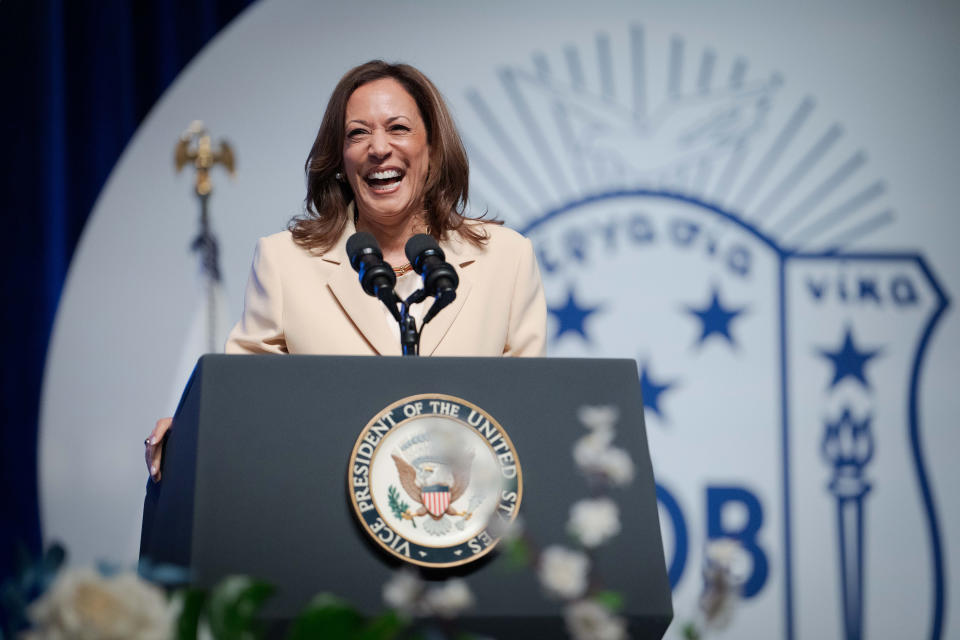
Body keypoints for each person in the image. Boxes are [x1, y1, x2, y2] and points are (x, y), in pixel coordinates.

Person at [144, 60, 547, 481]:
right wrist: (189, 434)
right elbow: (242, 404)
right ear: (340, 159)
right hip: (325, 510)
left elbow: (528, 412)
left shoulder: (506, 259)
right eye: (358, 133)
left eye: (398, 128)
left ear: (432, 150)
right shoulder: (284, 263)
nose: (378, 148)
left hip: (468, 512)